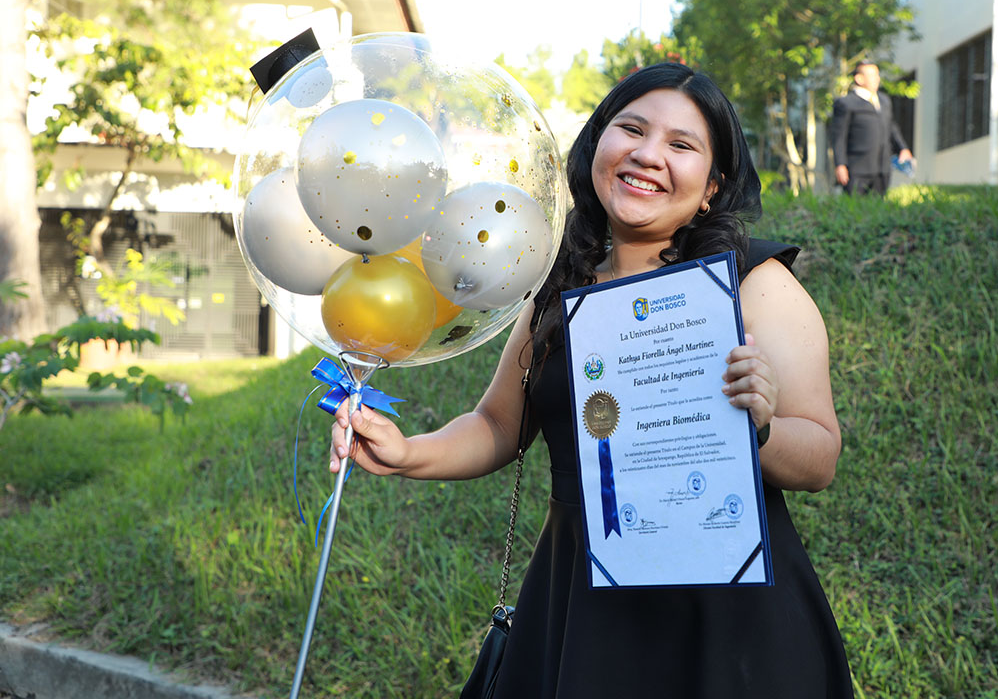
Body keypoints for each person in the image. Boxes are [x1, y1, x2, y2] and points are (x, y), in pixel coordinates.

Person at [329, 62, 851, 698]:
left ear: (712, 186)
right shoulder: (558, 284)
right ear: (598, 143)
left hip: (726, 621)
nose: (648, 154)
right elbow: (498, 424)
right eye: (630, 128)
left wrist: (759, 426)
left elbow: (820, 457)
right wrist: (408, 453)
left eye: (681, 145)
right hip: (581, 604)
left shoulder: (753, 283)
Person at [828, 60, 912, 197]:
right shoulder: (846, 103)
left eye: (877, 75)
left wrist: (903, 148)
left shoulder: (884, 101)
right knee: (857, 210)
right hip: (857, 169)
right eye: (872, 75)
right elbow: (839, 137)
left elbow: (891, 126)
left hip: (882, 168)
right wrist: (840, 164)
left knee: (878, 208)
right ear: (859, 78)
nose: (877, 79)